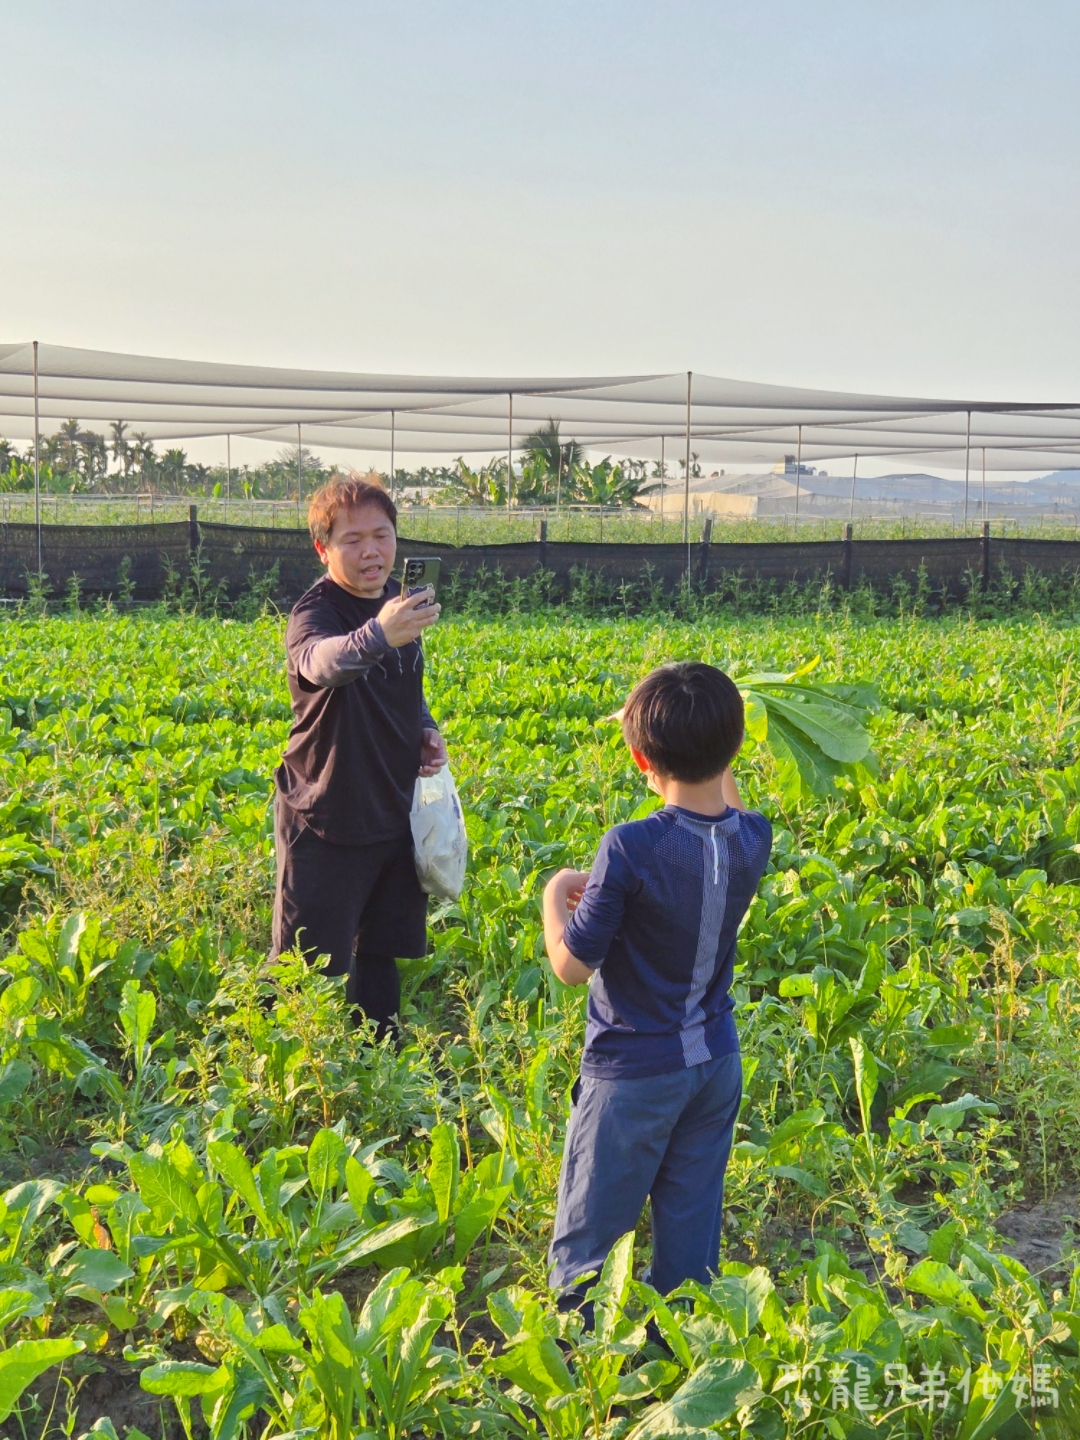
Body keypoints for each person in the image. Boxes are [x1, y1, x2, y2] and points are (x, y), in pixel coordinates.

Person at [541, 661, 772, 1300]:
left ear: (642, 762)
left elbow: (571, 966)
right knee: (692, 1237)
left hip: (634, 1069)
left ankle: (582, 1361)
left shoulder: (629, 846)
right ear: (734, 747)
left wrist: (554, 892)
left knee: (589, 1240)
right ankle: (683, 1351)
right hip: (715, 1060)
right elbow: (724, 798)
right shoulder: (754, 835)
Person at [271, 474, 448, 1036]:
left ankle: (382, 1061)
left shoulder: (398, 607)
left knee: (379, 950)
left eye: (382, 534)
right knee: (301, 964)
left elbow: (405, 686)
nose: (371, 550)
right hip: (325, 816)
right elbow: (323, 664)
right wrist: (379, 633)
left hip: (391, 810)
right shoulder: (314, 612)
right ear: (323, 548)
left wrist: (425, 727)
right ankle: (278, 1071)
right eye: (352, 539)